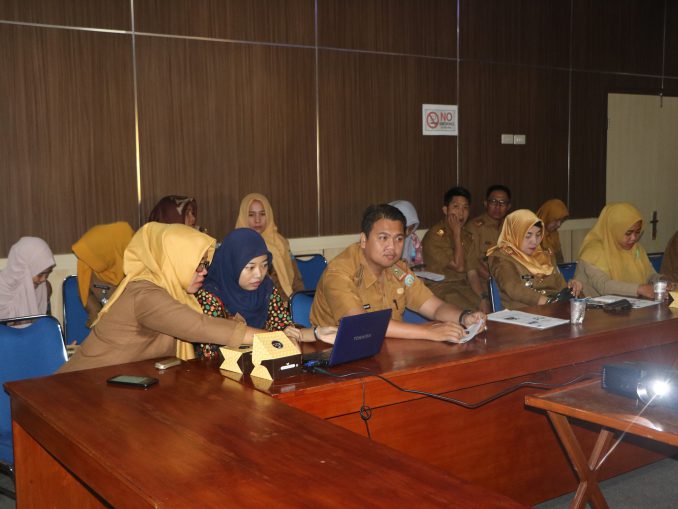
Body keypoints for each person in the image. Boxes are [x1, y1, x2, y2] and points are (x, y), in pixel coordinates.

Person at [58, 223, 279, 373]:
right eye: (198, 265)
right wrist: (273, 338)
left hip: (125, 381)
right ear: (176, 261)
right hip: (84, 386)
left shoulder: (173, 289)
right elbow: (199, 326)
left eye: (205, 264)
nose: (204, 272)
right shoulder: (145, 294)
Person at [310, 204, 485, 342]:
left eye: (399, 239)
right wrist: (427, 331)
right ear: (363, 240)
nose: (392, 247)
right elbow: (362, 324)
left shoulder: (397, 269)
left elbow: (435, 307)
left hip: (385, 350)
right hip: (338, 354)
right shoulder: (339, 273)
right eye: (383, 238)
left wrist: (464, 317)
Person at [194, 228, 333, 359]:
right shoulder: (210, 295)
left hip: (266, 364)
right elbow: (210, 352)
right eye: (250, 267)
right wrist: (276, 339)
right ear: (232, 265)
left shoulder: (265, 287)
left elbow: (282, 324)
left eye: (264, 265)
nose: (259, 274)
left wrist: (296, 335)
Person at [487, 210, 582, 309]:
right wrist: (548, 302)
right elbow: (514, 288)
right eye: (528, 236)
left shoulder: (545, 255)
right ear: (514, 234)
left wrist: (571, 287)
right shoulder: (502, 257)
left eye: (538, 235)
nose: (534, 241)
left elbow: (559, 284)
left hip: (553, 309)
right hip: (524, 313)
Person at [575, 202, 666, 299]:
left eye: (637, 232)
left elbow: (649, 275)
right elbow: (604, 286)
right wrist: (639, 289)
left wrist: (662, 280)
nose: (634, 238)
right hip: (594, 307)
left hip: (631, 305)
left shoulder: (636, 249)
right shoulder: (593, 252)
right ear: (614, 229)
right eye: (628, 233)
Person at [421, 187, 482, 310]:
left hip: (463, 286)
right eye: (456, 207)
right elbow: (459, 267)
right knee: (472, 314)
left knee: (489, 310)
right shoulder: (435, 236)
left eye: (465, 208)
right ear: (445, 210)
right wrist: (456, 234)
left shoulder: (467, 236)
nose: (461, 213)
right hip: (441, 287)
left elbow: (472, 273)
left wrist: (483, 297)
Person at [235, 193, 304, 299]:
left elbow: (296, 279)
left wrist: (299, 300)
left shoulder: (280, 242)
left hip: (289, 300)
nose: (257, 220)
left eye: (262, 214)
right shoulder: (238, 245)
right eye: (251, 215)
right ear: (243, 217)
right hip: (259, 303)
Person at [71, 222, 135, 326]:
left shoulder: (139, 273)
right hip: (106, 327)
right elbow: (88, 299)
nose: (85, 260)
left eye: (94, 253)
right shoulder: (86, 265)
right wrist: (95, 314)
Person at [465, 184, 512, 284]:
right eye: (493, 201)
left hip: (509, 280)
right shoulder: (474, 227)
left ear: (508, 206)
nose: (498, 206)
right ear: (486, 204)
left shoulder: (512, 228)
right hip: (483, 281)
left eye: (502, 203)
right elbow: (473, 263)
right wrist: (496, 281)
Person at [0, 237, 55, 320]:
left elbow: (42, 323)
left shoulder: (45, 288)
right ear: (21, 267)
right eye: (40, 274)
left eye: (48, 273)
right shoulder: (2, 289)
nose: (44, 279)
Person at [388, 200, 423, 267]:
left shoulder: (414, 239)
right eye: (404, 228)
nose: (407, 233)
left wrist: (412, 266)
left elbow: (418, 262)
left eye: (411, 228)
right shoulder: (386, 241)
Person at [536, 198, 569, 264]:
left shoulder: (554, 234)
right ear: (547, 217)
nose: (559, 225)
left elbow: (560, 262)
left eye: (561, 221)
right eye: (556, 220)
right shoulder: (532, 235)